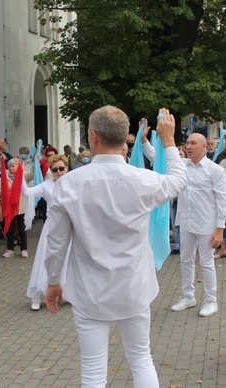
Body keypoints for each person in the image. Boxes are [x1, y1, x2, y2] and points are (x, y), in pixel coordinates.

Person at [45, 106, 188, 387]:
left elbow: (56, 243)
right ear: (124, 140)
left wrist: (53, 281)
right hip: (133, 286)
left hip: (89, 289)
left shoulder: (68, 185)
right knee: (140, 358)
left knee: (93, 370)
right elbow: (179, 180)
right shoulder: (142, 180)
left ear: (93, 136)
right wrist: (169, 142)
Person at [154, 132, 226, 318]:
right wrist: (146, 141)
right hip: (186, 221)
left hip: (207, 223)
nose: (189, 146)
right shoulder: (182, 167)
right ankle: (188, 296)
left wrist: (220, 229)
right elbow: (157, 157)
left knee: (206, 261)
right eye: (188, 143)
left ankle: (211, 300)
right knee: (185, 259)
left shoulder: (215, 170)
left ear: (204, 147)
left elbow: (222, 200)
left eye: (194, 143)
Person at [22, 153, 69, 310]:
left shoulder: (73, 183)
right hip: (51, 227)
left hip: (69, 227)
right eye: (55, 169)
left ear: (67, 168)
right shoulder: (46, 186)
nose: (59, 172)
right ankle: (37, 294)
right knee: (46, 258)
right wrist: (20, 175)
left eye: (62, 168)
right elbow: (27, 193)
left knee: (68, 259)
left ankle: (64, 292)